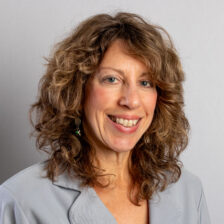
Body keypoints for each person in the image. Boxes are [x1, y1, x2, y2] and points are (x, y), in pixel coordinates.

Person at [0, 12, 211, 224]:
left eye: (145, 83)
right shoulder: (21, 202)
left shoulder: (189, 193)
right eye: (112, 79)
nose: (131, 101)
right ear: (77, 90)